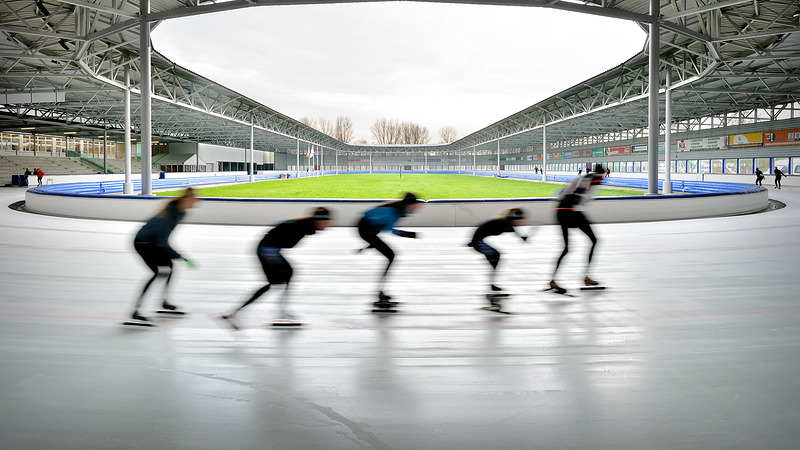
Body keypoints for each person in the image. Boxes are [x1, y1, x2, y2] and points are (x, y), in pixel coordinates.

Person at [220, 207, 332, 329]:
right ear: (320, 220)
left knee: (274, 283)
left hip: (266, 248)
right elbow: (289, 243)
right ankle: (281, 313)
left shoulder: (304, 224)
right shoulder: (303, 226)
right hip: (268, 250)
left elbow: (281, 235)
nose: (329, 225)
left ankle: (235, 313)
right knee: (287, 274)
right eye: (327, 221)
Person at [129, 188, 199, 323]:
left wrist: (177, 256)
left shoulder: (180, 212)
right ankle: (136, 310)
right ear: (185, 199)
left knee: (170, 266)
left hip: (152, 242)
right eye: (193, 199)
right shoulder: (171, 214)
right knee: (156, 272)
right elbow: (162, 241)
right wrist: (180, 256)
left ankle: (164, 301)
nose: (196, 202)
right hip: (143, 242)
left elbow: (162, 240)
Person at [356, 192, 422, 307]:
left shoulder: (398, 209)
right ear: (408, 204)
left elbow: (380, 224)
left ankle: (380, 292)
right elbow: (391, 230)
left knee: (390, 255)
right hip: (366, 228)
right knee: (391, 256)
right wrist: (411, 234)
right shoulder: (395, 211)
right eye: (415, 205)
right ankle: (380, 292)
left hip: (369, 228)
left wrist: (370, 245)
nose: (416, 208)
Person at [548, 164, 605, 294]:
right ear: (602, 174)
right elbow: (581, 190)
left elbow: (560, 192)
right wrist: (578, 199)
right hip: (571, 211)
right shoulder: (596, 178)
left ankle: (552, 279)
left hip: (560, 210)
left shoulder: (581, 177)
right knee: (594, 240)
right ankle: (586, 277)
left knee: (566, 248)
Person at [468, 208, 528, 310]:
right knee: (495, 257)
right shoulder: (505, 223)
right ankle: (492, 286)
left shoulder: (505, 222)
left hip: (478, 241)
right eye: (519, 220)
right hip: (477, 242)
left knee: (496, 258)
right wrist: (523, 238)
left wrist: (522, 238)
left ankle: (492, 284)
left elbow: (517, 235)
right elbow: (517, 234)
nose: (520, 222)